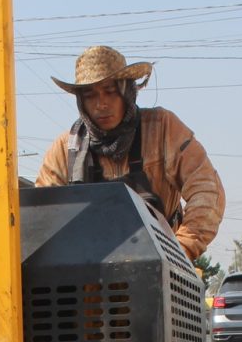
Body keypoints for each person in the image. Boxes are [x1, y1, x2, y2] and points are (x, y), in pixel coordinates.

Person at [36, 46, 224, 263]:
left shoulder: (163, 128)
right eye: (90, 95)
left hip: (162, 271)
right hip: (90, 278)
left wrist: (180, 251)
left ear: (126, 91)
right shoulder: (65, 149)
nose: (101, 104)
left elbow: (207, 189)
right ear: (81, 101)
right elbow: (43, 217)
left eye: (110, 91)